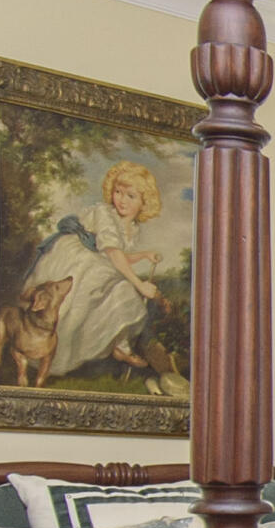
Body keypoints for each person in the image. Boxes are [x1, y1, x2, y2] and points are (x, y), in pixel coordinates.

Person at [18, 162, 169, 381]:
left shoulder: (132, 228)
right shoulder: (105, 213)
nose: (122, 200)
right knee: (81, 303)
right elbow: (112, 252)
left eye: (130, 196)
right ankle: (47, 350)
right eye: (118, 192)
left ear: (144, 203)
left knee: (121, 291)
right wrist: (140, 284)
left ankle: (121, 346)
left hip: (98, 263)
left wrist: (144, 255)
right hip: (75, 261)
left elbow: (117, 256)